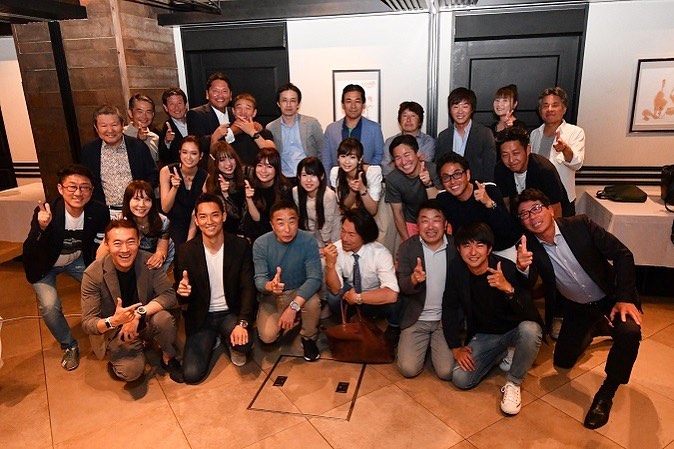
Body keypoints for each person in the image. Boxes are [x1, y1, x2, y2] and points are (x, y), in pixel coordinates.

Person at [513, 188, 642, 429]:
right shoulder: (527, 245)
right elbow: (527, 284)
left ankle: (606, 393)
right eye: (524, 214)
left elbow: (622, 254)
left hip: (611, 298)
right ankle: (598, 327)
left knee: (629, 334)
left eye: (536, 208)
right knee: (562, 361)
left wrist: (625, 298)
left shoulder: (580, 225)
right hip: (576, 307)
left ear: (551, 210)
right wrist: (521, 268)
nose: (532, 216)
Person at [443, 223, 543, 415]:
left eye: (479, 245)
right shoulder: (457, 269)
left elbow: (530, 314)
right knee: (461, 378)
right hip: (485, 334)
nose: (473, 252)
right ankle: (501, 352)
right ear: (459, 249)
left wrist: (508, 289)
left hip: (514, 330)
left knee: (531, 330)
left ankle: (514, 383)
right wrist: (455, 348)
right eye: (466, 245)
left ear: (489, 249)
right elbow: (449, 306)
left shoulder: (505, 268)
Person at [23, 164, 110, 371]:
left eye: (84, 187)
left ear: (91, 191)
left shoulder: (98, 211)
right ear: (60, 189)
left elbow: (100, 243)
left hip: (77, 260)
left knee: (105, 287)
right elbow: (30, 249)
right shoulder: (47, 211)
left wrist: (98, 269)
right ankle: (69, 345)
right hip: (44, 265)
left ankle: (109, 329)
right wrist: (42, 227)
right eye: (72, 187)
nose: (78, 193)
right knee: (50, 306)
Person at [81, 219, 181, 383]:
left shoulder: (148, 262)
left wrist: (138, 314)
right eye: (117, 243)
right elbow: (88, 323)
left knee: (164, 319)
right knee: (131, 372)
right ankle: (129, 349)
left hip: (145, 321)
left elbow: (169, 295)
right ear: (107, 244)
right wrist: (113, 321)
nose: (125, 249)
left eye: (130, 242)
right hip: (117, 332)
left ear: (139, 241)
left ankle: (167, 356)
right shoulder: (92, 275)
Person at [174, 193, 257, 383]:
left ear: (224, 216)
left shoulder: (240, 246)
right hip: (202, 317)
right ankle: (214, 338)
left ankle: (230, 340)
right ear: (196, 220)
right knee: (192, 375)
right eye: (203, 216)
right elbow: (182, 295)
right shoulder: (186, 251)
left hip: (230, 313)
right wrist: (182, 293)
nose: (209, 222)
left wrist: (243, 322)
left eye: (215, 215)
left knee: (244, 344)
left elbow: (248, 288)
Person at [253, 200, 322, 361]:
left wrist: (293, 307)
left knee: (313, 302)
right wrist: (270, 286)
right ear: (272, 225)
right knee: (267, 337)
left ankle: (308, 337)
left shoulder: (308, 240)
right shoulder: (261, 244)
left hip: (300, 291)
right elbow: (259, 278)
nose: (287, 229)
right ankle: (291, 320)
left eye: (292, 222)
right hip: (273, 296)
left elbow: (314, 278)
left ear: (298, 221)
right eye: (280, 223)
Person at [396, 200, 456, 379]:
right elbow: (402, 286)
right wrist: (413, 280)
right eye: (424, 221)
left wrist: (454, 319)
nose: (430, 226)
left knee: (446, 372)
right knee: (408, 369)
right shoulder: (407, 248)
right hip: (417, 319)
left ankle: (434, 347)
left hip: (444, 321)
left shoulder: (455, 247)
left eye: (436, 220)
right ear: (417, 225)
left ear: (445, 225)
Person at [323, 208, 401, 345]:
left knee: (396, 299)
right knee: (333, 297)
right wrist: (330, 264)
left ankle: (393, 327)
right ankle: (350, 320)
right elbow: (335, 289)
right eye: (343, 231)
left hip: (373, 296)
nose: (344, 238)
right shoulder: (336, 249)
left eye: (351, 234)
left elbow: (391, 294)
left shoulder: (380, 253)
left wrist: (358, 298)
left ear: (364, 236)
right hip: (351, 293)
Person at [435, 152, 520, 259]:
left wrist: (489, 203)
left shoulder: (487, 189)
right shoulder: (443, 199)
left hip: (501, 248)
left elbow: (505, 229)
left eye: (457, 174)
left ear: (467, 174)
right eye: (446, 177)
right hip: (471, 253)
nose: (452, 181)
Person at [81, 105, 158, 214]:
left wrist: (141, 195)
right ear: (96, 128)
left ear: (122, 125)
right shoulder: (89, 151)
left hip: (137, 211)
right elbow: (85, 181)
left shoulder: (138, 147)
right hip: (104, 212)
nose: (110, 130)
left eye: (114, 125)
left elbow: (153, 175)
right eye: (104, 126)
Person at [96, 180, 174, 273]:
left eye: (147, 200)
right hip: (133, 255)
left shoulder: (163, 221)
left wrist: (159, 256)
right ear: (128, 201)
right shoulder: (120, 220)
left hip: (157, 256)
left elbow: (161, 251)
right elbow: (101, 254)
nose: (142, 205)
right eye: (137, 199)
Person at [495, 126, 573, 217]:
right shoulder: (500, 169)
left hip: (550, 216)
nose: (511, 160)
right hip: (521, 217)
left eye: (516, 153)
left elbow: (556, 209)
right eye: (505, 155)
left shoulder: (544, 170)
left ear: (528, 150)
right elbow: (506, 204)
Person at [529, 86, 585, 211]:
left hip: (562, 197)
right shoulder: (535, 134)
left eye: (555, 105)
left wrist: (565, 149)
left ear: (564, 109)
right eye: (545, 105)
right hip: (537, 198)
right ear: (540, 110)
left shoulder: (575, 132)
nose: (550, 109)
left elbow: (577, 164)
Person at [385, 134, 442, 242]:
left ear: (418, 153)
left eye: (407, 155)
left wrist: (428, 184)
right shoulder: (393, 179)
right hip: (412, 221)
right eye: (398, 158)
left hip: (437, 220)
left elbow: (439, 206)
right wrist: (407, 242)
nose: (404, 162)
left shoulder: (434, 170)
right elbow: (398, 213)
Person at [434, 87, 497, 182]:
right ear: (450, 110)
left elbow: (489, 169)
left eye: (465, 106)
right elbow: (439, 168)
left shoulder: (485, 134)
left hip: (476, 187)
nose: (460, 111)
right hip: (450, 187)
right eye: (456, 107)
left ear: (472, 109)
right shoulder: (443, 136)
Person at [266, 83, 324, 182]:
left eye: (293, 101)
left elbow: (322, 150)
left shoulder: (312, 123)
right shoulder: (271, 127)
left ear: (298, 104)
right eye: (284, 100)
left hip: (308, 177)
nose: (288, 105)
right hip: (283, 179)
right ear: (278, 103)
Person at [322, 84, 384, 173]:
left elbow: (379, 156)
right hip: (338, 179)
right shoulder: (331, 129)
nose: (353, 106)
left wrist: (367, 172)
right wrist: (329, 181)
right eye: (348, 101)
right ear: (343, 105)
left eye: (357, 101)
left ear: (363, 104)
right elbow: (326, 160)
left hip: (366, 179)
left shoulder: (374, 128)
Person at [159, 136, 208, 248]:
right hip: (170, 225)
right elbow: (165, 208)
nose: (188, 157)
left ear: (201, 156)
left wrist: (189, 242)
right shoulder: (167, 171)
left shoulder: (205, 177)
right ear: (180, 153)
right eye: (185, 152)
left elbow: (197, 212)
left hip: (194, 226)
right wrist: (175, 187)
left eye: (193, 153)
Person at [243, 148, 293, 241]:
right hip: (257, 232)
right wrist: (249, 199)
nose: (263, 170)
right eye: (260, 165)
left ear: (276, 169)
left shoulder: (284, 188)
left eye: (269, 166)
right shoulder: (251, 184)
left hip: (278, 233)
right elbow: (256, 219)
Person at [292, 156, 341, 247]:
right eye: (304, 175)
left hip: (332, 237)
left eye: (313, 175)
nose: (308, 180)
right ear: (299, 177)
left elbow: (327, 224)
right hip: (312, 237)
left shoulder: (328, 196)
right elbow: (304, 220)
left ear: (321, 176)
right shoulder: (295, 192)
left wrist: (327, 244)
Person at [330, 138, 383, 217]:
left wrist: (362, 189)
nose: (347, 161)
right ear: (338, 158)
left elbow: (373, 211)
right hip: (348, 217)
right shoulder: (335, 173)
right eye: (343, 156)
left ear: (360, 159)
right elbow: (344, 208)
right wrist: (353, 191)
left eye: (352, 157)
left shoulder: (372, 173)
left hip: (370, 218)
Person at [382, 101, 436, 176]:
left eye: (413, 116)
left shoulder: (428, 141)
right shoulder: (390, 142)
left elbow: (425, 167)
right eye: (404, 116)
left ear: (420, 121)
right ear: (399, 120)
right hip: (395, 182)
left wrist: (395, 163)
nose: (408, 120)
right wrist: (417, 160)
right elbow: (386, 169)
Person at [186, 72, 236, 153]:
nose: (220, 95)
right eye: (215, 91)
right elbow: (197, 145)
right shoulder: (196, 114)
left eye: (224, 91)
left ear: (230, 95)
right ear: (207, 94)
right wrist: (231, 131)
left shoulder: (235, 112)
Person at [204, 142, 246, 236]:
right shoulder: (213, 183)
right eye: (222, 160)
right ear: (215, 163)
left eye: (231, 158)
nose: (228, 163)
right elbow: (235, 215)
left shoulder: (246, 173)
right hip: (227, 233)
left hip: (250, 230)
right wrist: (225, 194)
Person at [230, 92, 276, 167]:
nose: (243, 112)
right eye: (239, 108)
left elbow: (272, 153)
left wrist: (252, 132)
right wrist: (230, 132)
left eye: (247, 108)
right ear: (233, 111)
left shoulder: (263, 132)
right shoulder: (226, 132)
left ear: (254, 112)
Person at [124, 93, 159, 162]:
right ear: (130, 113)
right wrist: (139, 141)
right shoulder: (121, 135)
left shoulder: (154, 137)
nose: (144, 116)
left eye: (148, 112)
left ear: (153, 115)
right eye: (139, 112)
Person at [158, 87, 189, 166]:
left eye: (179, 103)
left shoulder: (196, 121)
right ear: (166, 108)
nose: (176, 107)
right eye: (172, 104)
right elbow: (163, 158)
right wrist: (167, 142)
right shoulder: (161, 130)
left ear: (186, 105)